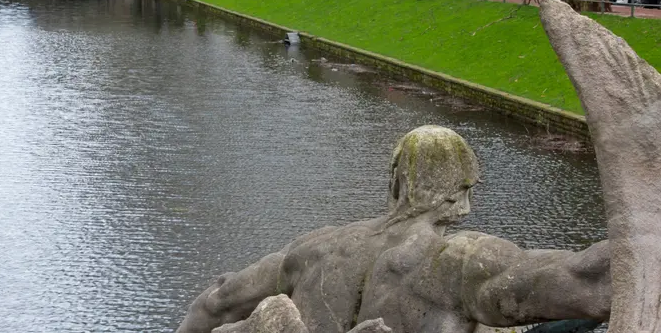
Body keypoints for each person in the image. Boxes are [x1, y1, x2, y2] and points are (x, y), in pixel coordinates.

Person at [178, 126, 612, 333]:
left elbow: (217, 303)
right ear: (461, 193)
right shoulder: (457, 261)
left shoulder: (314, 248)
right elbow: (585, 282)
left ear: (396, 180)